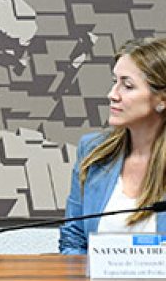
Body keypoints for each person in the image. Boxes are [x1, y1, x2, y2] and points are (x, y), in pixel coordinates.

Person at [60, 37, 166, 254]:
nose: (112, 95)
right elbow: (73, 239)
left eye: (127, 86)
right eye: (114, 82)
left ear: (162, 99)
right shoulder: (93, 151)